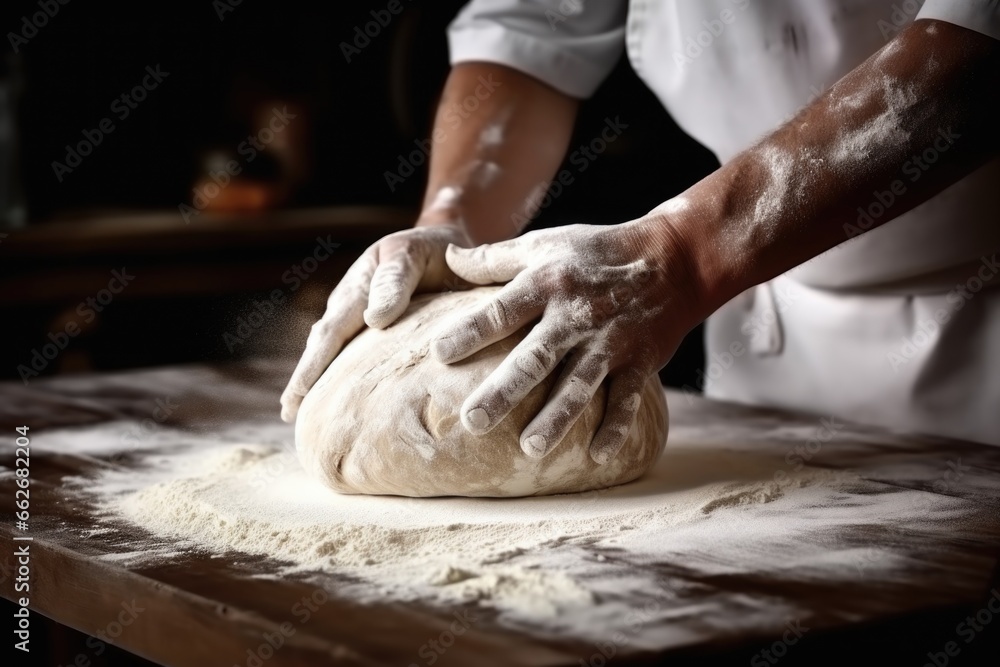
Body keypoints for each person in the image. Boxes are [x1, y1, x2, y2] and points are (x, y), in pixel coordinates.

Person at [282, 0, 1000, 461]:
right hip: (771, 332)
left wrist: (687, 255)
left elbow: (978, 50)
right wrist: (454, 220)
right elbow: (528, 34)